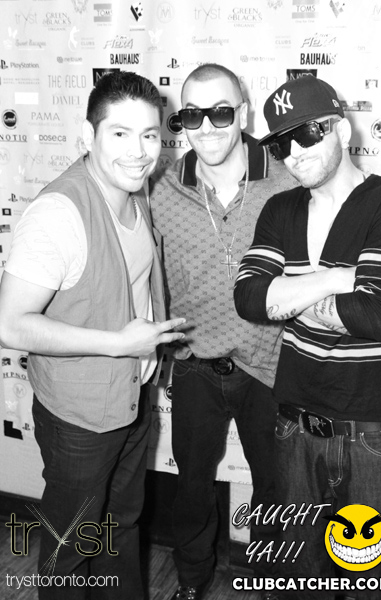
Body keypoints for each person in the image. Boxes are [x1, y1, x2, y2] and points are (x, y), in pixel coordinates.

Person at [0, 71, 185, 600]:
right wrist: (118, 344)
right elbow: (10, 324)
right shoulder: (59, 214)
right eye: (120, 134)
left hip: (131, 397)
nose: (139, 151)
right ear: (88, 136)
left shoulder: (133, 187)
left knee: (120, 527)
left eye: (149, 135)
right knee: (69, 547)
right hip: (79, 418)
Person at [234, 75, 381, 600]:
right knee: (300, 582)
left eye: (308, 133)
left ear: (342, 130)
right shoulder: (279, 210)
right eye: (281, 143)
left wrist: (288, 295)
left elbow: (380, 314)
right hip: (293, 428)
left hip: (371, 434)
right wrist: (336, 279)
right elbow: (250, 299)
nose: (295, 153)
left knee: (373, 582)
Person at [150, 63, 295, 600]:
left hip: (271, 362)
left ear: (244, 113)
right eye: (192, 115)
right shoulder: (161, 188)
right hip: (195, 365)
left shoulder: (286, 178)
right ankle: (191, 581)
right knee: (191, 487)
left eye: (221, 112)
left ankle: (268, 581)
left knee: (275, 488)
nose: (207, 127)